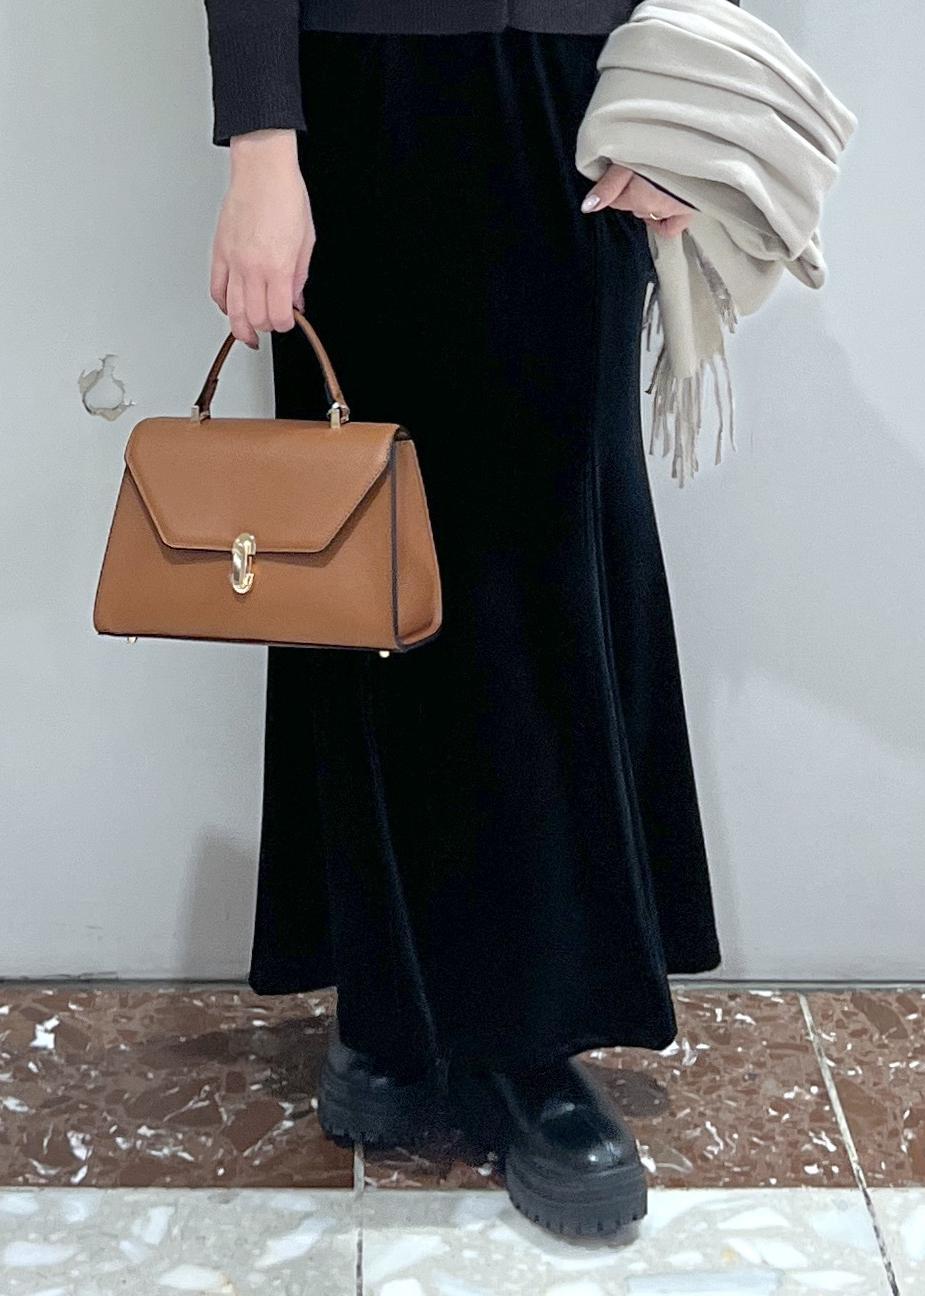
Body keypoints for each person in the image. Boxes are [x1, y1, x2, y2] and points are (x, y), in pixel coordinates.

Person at [202, 0, 724, 1238]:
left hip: (578, 92)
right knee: (356, 562)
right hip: (359, 83)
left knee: (545, 561)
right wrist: (262, 142)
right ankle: (385, 997)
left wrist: (692, 93)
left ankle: (528, 1030)